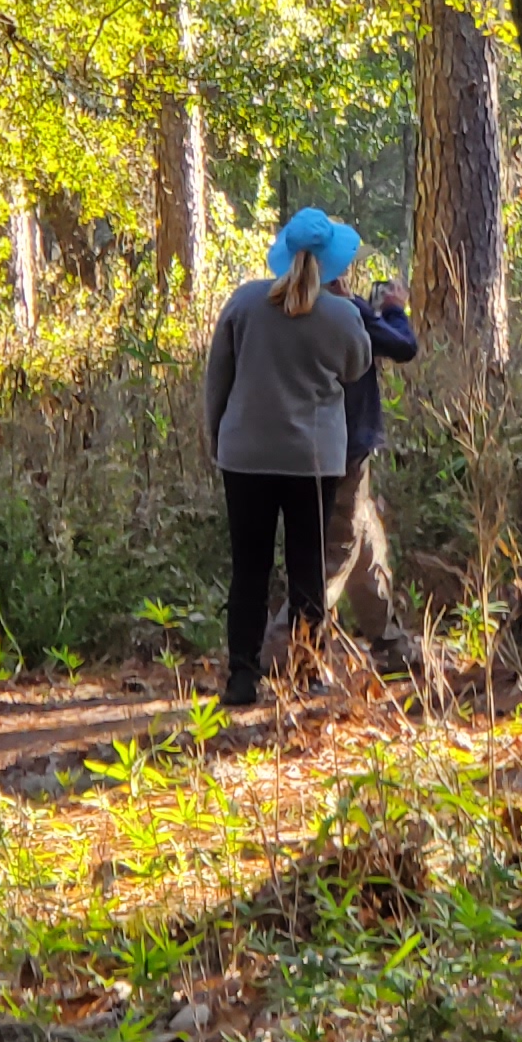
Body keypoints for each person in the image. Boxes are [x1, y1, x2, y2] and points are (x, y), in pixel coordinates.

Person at [200, 207, 376, 708]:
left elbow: (219, 382)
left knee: (249, 569)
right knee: (307, 567)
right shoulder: (340, 315)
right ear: (331, 262)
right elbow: (357, 364)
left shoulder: (244, 303)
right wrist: (347, 307)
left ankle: (241, 678)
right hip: (311, 460)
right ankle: (306, 673)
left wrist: (218, 441)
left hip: (245, 456)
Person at [324, 272, 420, 672]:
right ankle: (285, 651)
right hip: (343, 449)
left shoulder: (292, 309)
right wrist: (391, 310)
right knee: (336, 553)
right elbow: (403, 346)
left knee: (365, 542)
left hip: (328, 448)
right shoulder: (345, 313)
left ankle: (390, 644)